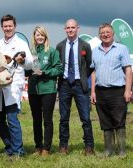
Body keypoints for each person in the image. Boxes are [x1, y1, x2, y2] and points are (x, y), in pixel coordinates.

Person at [0, 14, 34, 158]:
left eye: (10, 26)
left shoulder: (21, 43)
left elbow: (30, 64)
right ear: (2, 27)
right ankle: (10, 147)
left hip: (13, 86)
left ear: (15, 26)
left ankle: (18, 150)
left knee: (12, 118)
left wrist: (22, 60)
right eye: (5, 26)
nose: (8, 28)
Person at [90, 23, 132, 157]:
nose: (105, 35)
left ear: (113, 34)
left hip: (118, 91)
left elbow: (128, 70)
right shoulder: (95, 51)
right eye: (102, 33)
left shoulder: (122, 49)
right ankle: (108, 150)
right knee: (105, 121)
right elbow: (93, 72)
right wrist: (93, 91)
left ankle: (122, 151)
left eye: (108, 32)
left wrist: (128, 90)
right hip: (100, 91)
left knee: (119, 120)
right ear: (99, 35)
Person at [56, 19, 95, 155]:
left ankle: (89, 147)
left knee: (85, 118)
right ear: (65, 29)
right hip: (64, 84)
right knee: (63, 118)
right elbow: (58, 65)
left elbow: (89, 65)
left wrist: (83, 77)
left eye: (73, 27)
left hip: (80, 84)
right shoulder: (60, 46)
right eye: (68, 28)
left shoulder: (85, 46)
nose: (71, 30)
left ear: (78, 28)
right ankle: (63, 146)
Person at [27, 26, 62, 156]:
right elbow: (26, 70)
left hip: (48, 89)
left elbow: (59, 69)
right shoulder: (30, 52)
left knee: (47, 120)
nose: (40, 37)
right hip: (33, 90)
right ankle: (38, 147)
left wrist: (45, 72)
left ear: (45, 36)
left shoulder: (52, 51)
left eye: (42, 35)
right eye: (37, 35)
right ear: (34, 37)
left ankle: (46, 148)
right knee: (36, 119)